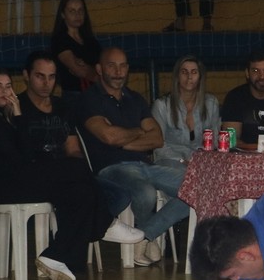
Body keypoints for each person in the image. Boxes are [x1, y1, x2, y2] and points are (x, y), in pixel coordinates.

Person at [0, 66, 142, 280]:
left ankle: (55, 256)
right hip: (1, 186)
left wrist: (17, 115)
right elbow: (16, 156)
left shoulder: (3, 114)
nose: (4, 91)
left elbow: (25, 153)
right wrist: (20, 121)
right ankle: (105, 224)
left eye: (8, 86)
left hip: (15, 179)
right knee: (75, 168)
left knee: (81, 193)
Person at [78, 47, 195, 266]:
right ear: (99, 69)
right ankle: (146, 237)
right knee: (146, 192)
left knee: (197, 188)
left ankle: (145, 235)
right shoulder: (89, 99)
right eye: (112, 66)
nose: (118, 71)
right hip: (111, 168)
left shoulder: (135, 99)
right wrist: (140, 132)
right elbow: (108, 136)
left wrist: (122, 139)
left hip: (146, 165)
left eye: (123, 66)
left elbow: (157, 138)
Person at [150, 54, 221, 168]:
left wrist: (203, 160)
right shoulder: (162, 106)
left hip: (201, 161)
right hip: (171, 161)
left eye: (194, 72)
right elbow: (159, 146)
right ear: (177, 76)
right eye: (184, 72)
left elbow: (215, 140)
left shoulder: (211, 103)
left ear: (200, 77)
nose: (189, 77)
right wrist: (182, 160)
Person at [50, 0, 100, 106]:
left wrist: (88, 69)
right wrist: (99, 76)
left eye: (80, 10)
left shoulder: (91, 41)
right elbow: (79, 70)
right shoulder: (60, 40)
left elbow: (103, 67)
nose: (77, 14)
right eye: (72, 11)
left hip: (96, 94)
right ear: (63, 14)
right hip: (74, 97)